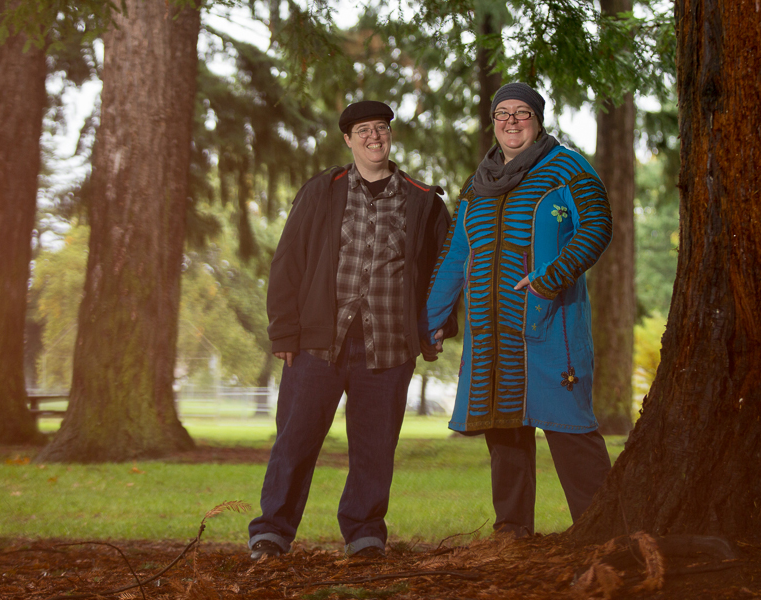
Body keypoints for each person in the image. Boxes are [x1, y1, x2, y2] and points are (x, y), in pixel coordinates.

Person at [249, 100, 455, 560]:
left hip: (389, 347)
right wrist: (284, 333)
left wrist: (435, 330)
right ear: (348, 139)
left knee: (375, 447)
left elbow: (443, 272)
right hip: (319, 343)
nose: (373, 137)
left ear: (390, 135)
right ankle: (272, 532)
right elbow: (288, 262)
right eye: (363, 130)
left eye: (381, 128)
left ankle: (364, 534)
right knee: (295, 440)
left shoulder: (423, 201)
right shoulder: (322, 190)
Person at [422, 82, 613, 537]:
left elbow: (598, 226)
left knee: (571, 432)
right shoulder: (477, 183)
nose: (512, 121)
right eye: (502, 113)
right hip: (490, 332)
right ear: (493, 121)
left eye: (522, 112)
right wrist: (430, 322)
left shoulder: (566, 168)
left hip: (550, 325)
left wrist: (549, 279)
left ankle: (602, 532)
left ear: (538, 119)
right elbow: (455, 259)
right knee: (504, 430)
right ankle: (511, 533)